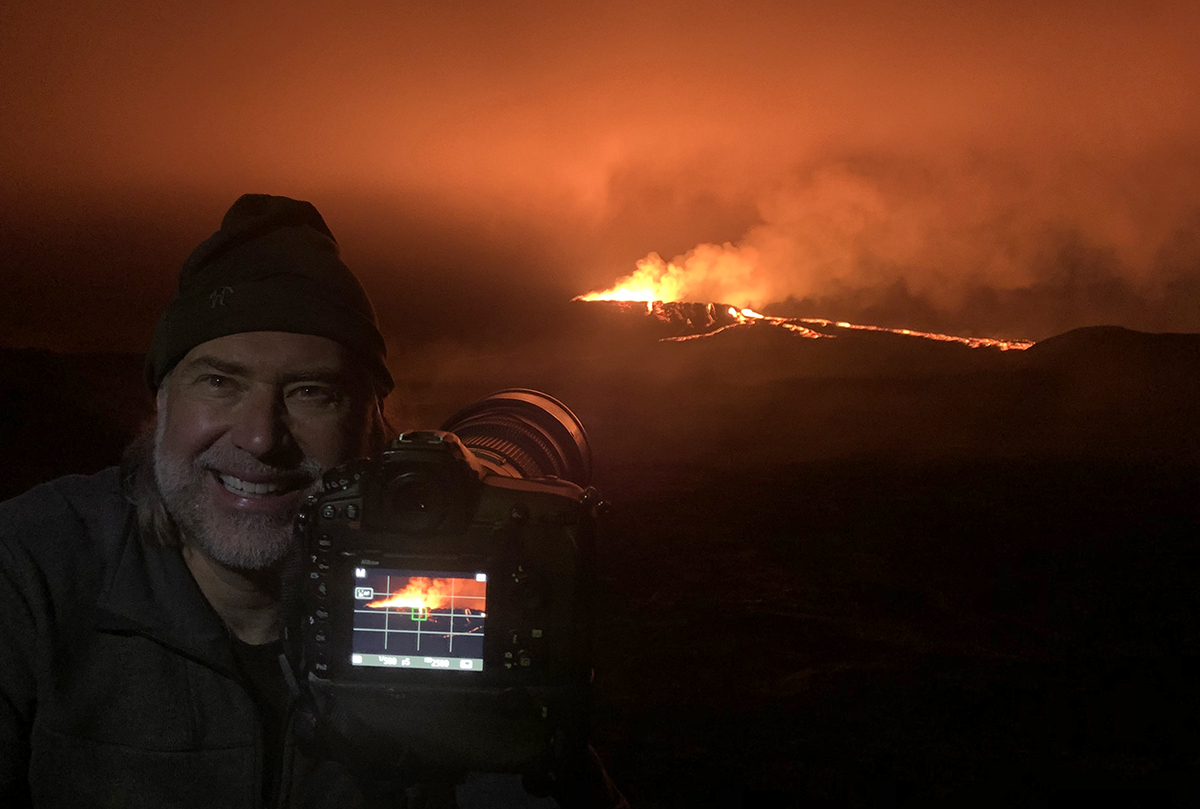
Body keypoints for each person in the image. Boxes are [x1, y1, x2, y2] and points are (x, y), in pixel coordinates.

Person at [0, 195, 624, 808]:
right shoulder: (39, 566)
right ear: (161, 403)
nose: (261, 437)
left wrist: (520, 722)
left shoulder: (441, 583)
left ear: (373, 428)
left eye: (311, 392)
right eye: (219, 382)